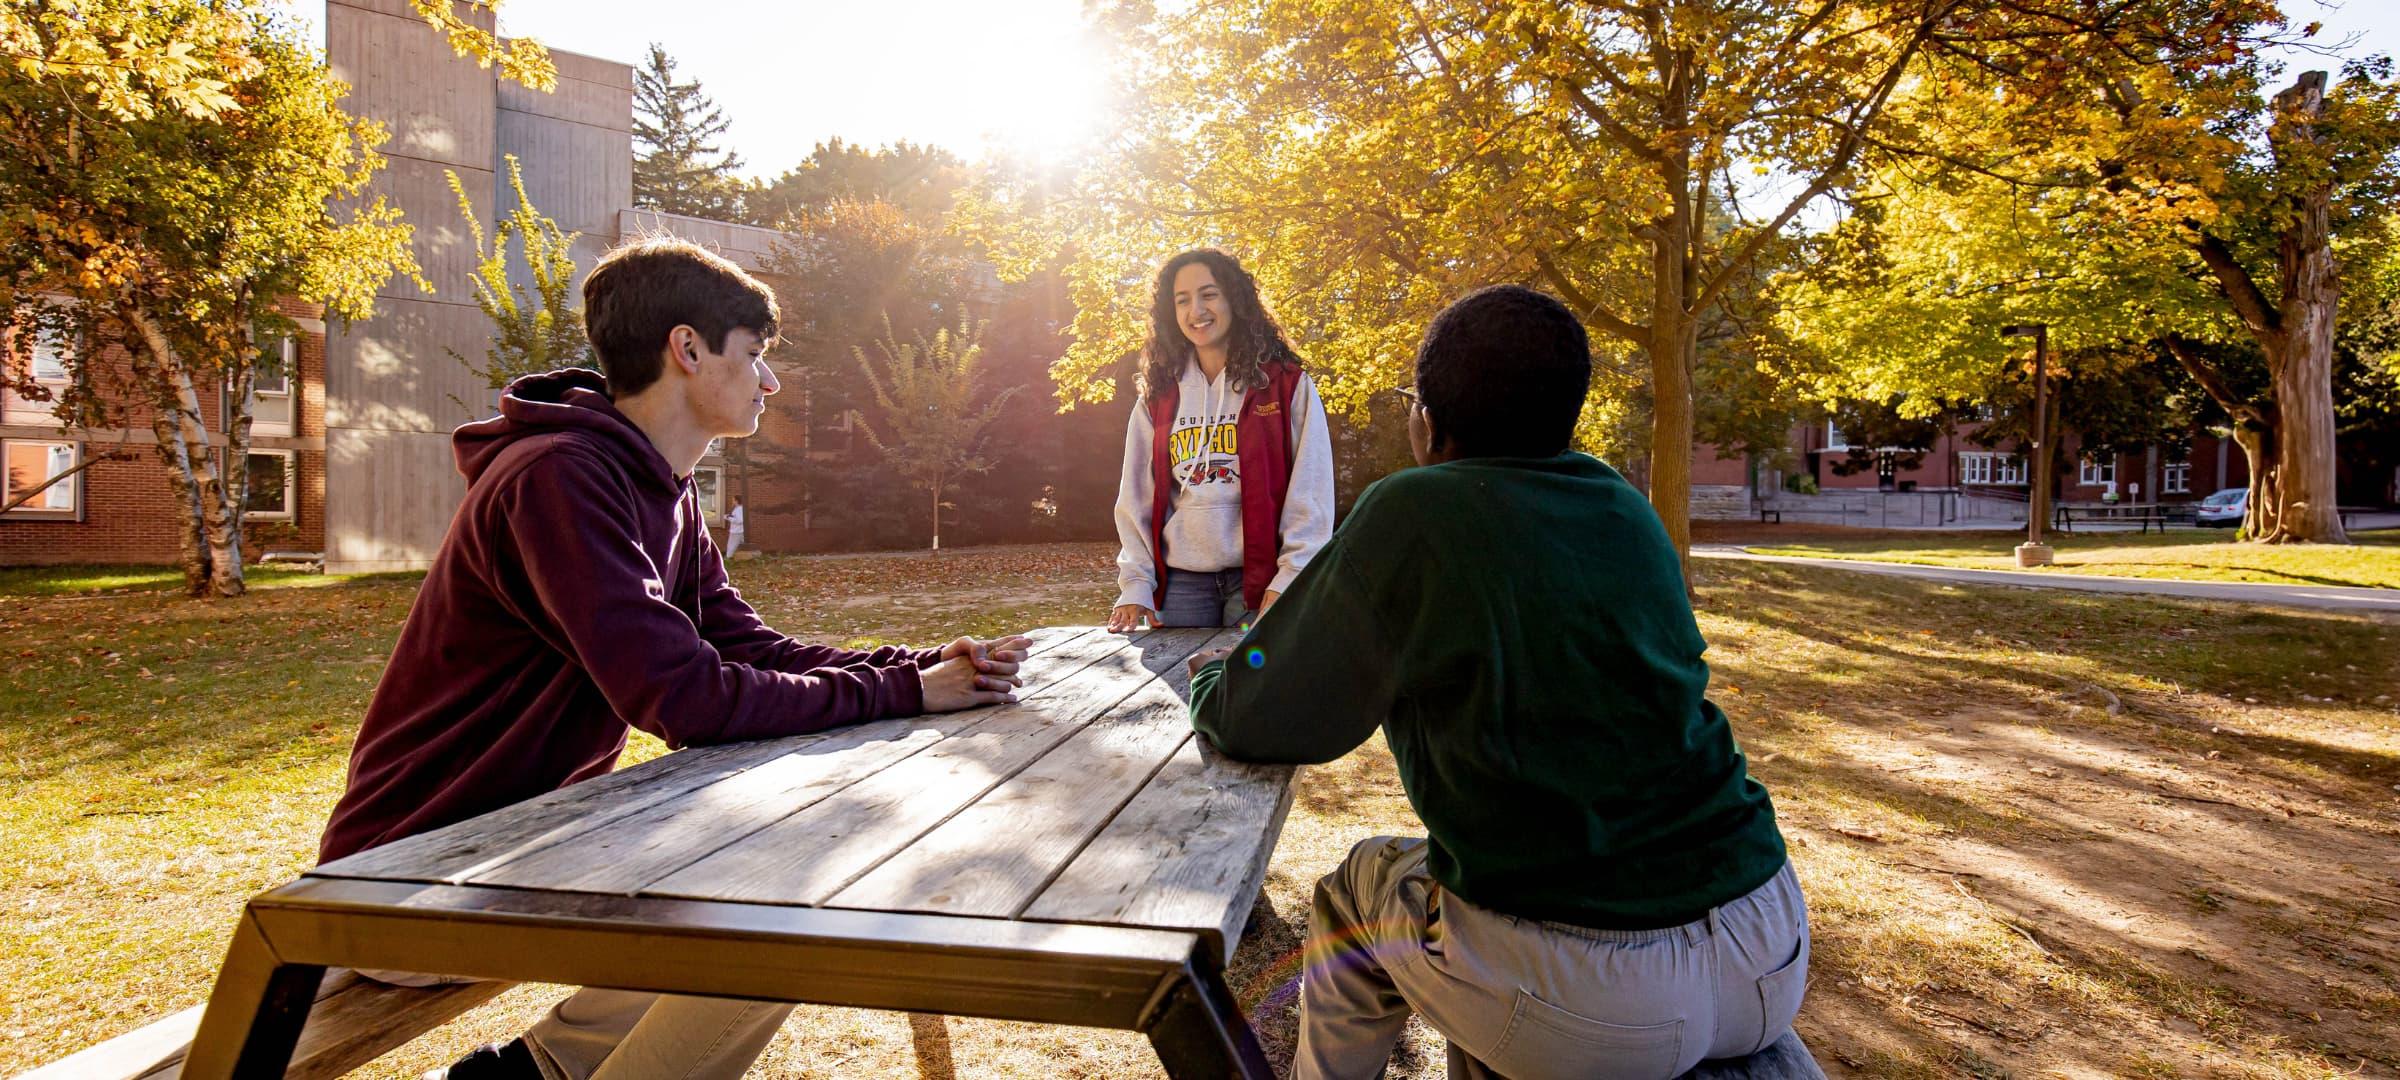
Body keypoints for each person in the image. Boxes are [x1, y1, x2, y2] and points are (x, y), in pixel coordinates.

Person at [316, 236, 1030, 1080]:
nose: (770, 381)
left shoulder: (660, 490)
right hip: (417, 871)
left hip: (530, 844)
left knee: (784, 873)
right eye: (756, 355)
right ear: (687, 349)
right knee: (790, 895)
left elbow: (749, 648)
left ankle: (530, 1073)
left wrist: (916, 666)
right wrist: (908, 692)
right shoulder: (558, 479)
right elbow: (685, 699)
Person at [1186, 286, 1807, 1080]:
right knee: (1456, 907)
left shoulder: (1413, 508)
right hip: (1766, 939)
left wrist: (1215, 682)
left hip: (1591, 991)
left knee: (1356, 895)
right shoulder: (1623, 506)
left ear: (1429, 419)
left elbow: (1269, 713)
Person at [1109, 248, 1335, 631]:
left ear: (1235, 299)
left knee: (1251, 687)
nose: (1196, 310)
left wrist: (1291, 576)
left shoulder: (1284, 384)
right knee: (1178, 685)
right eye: (1183, 300)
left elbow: (1310, 492)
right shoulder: (1158, 396)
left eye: (1209, 294)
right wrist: (1135, 582)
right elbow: (1136, 497)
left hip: (1259, 580)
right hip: (1181, 584)